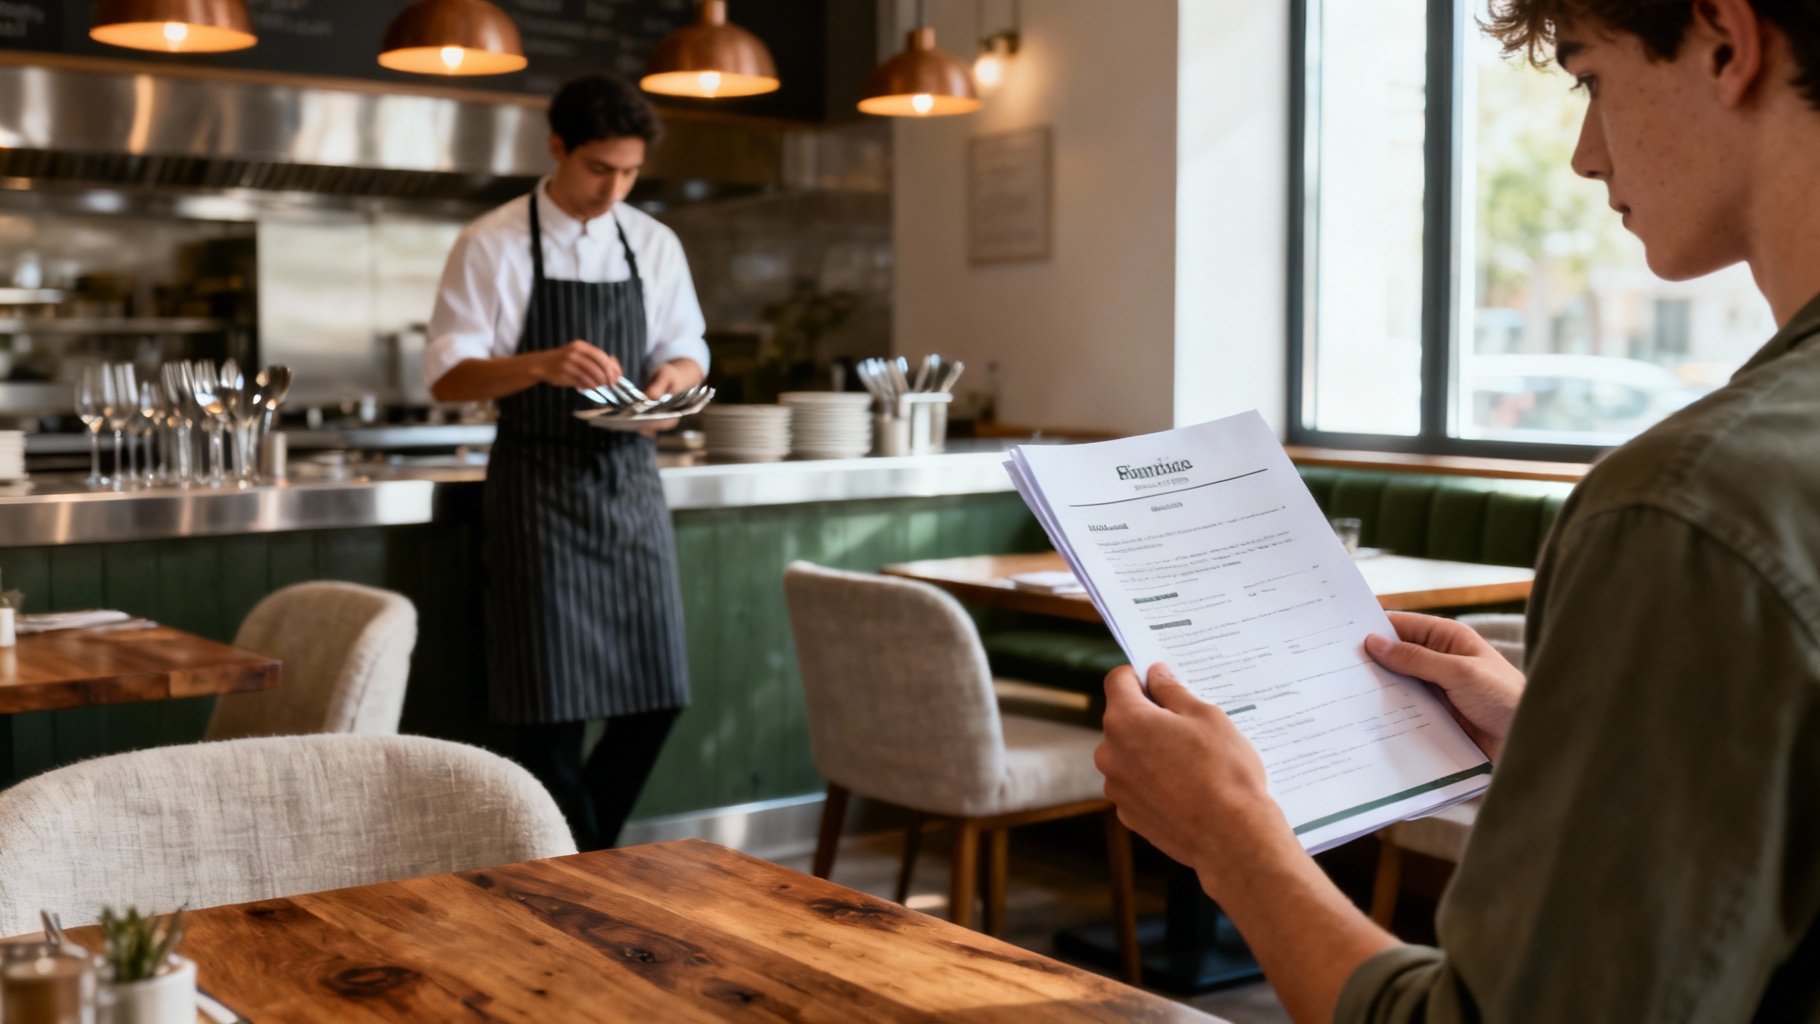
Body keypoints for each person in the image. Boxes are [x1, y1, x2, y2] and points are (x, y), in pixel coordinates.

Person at [1094, 0, 1820, 1020]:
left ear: (1724, 43)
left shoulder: (1686, 508)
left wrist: (1233, 840)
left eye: (1588, 79)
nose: (1580, 155)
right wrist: (1548, 739)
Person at [423, 75, 707, 851]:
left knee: (657, 698)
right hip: (536, 487)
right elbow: (448, 377)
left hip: (630, 484)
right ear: (557, 149)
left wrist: (669, 384)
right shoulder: (492, 242)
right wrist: (540, 364)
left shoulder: (651, 240)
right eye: (597, 169)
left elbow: (688, 351)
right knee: (547, 708)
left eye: (628, 173)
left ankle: (584, 860)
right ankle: (578, 874)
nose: (612, 188)